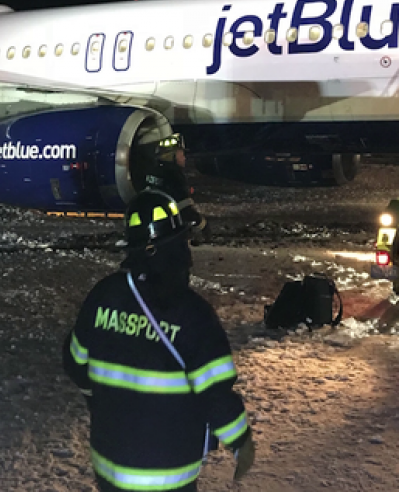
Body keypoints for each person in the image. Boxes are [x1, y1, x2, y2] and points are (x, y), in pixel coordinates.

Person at [62, 189, 255, 491]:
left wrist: (96, 398)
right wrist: (241, 441)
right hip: (168, 476)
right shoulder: (193, 314)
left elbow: (74, 363)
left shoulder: (103, 296)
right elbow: (215, 395)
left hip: (110, 468)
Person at [144, 133, 210, 244]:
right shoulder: (174, 176)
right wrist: (203, 225)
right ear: (171, 156)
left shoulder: (153, 171)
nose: (184, 158)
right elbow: (185, 210)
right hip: (166, 231)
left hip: (149, 228)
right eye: (181, 154)